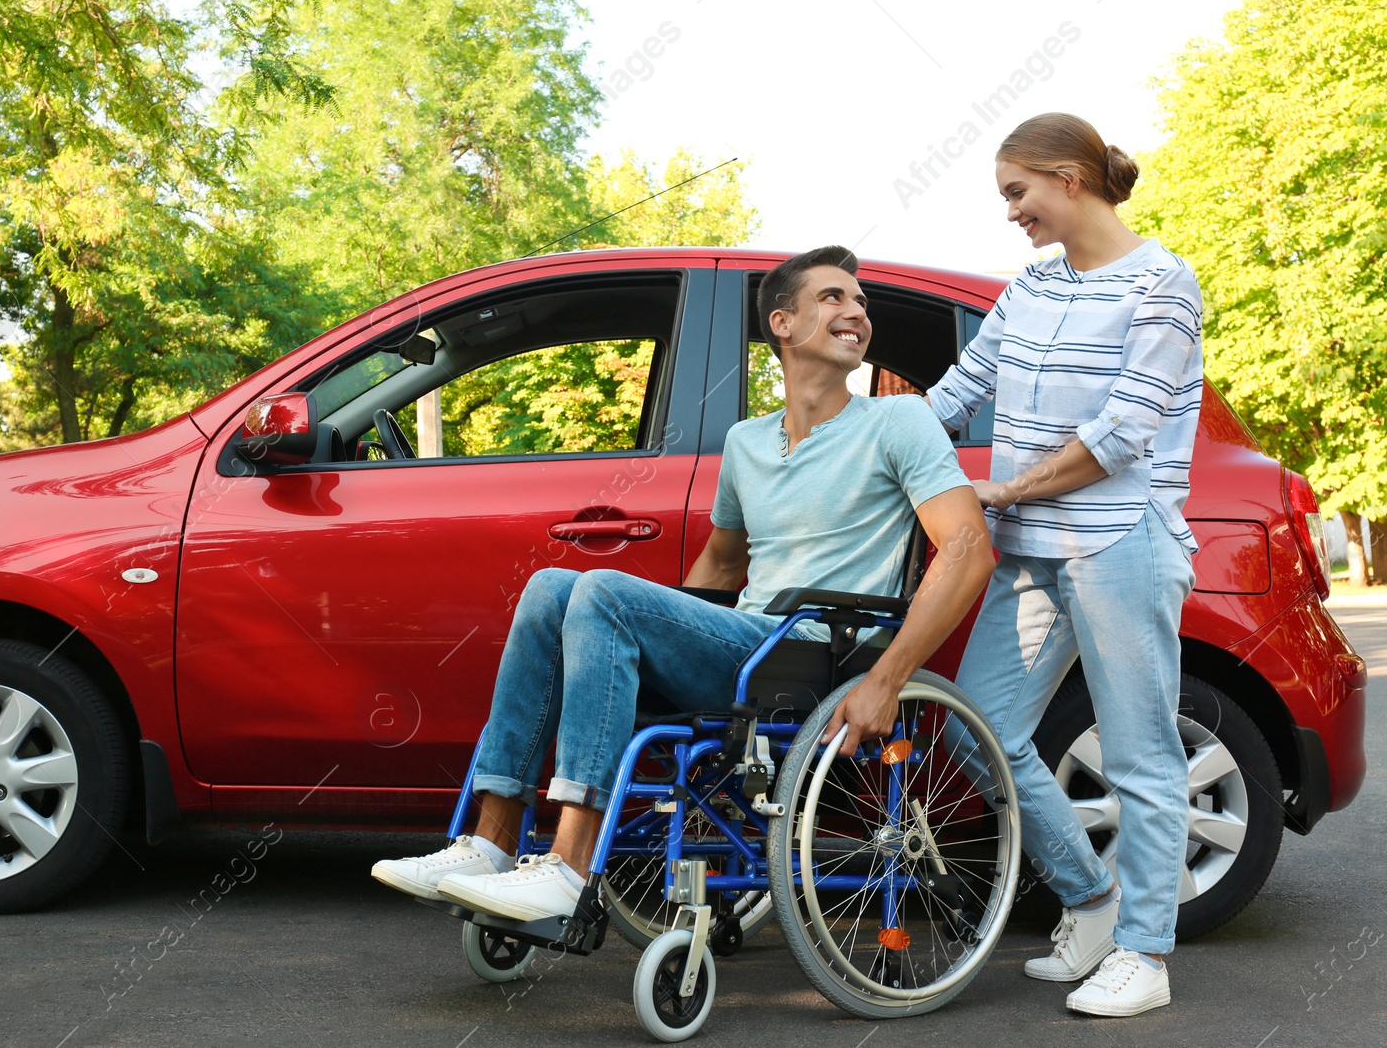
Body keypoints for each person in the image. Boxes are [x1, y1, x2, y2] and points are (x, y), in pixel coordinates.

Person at [373, 245, 995, 923]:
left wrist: (887, 677)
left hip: (818, 648)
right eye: (833, 297)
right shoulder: (748, 442)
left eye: (860, 301)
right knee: (553, 586)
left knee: (603, 591)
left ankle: (570, 866)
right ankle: (487, 843)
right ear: (781, 324)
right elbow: (722, 571)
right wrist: (643, 627)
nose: (856, 311)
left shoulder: (897, 422)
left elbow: (967, 550)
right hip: (749, 643)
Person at [927, 113, 1204, 1018]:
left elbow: (1125, 433)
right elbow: (963, 387)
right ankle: (1092, 898)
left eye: (1018, 192)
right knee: (976, 728)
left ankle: (1146, 955)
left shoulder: (1162, 283)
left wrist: (1004, 493)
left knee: (1141, 754)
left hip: (1122, 540)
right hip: (1030, 554)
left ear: (1069, 178)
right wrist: (863, 442)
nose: (1012, 211)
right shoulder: (1031, 288)